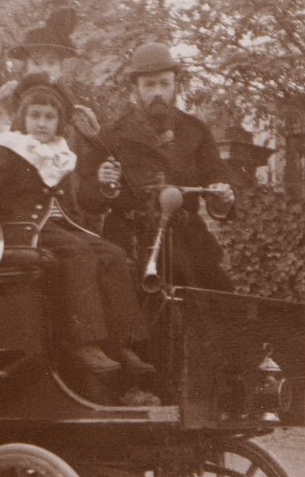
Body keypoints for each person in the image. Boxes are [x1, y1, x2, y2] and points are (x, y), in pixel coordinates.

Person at [0, 76, 152, 377]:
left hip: (61, 227)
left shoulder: (61, 155)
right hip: (23, 228)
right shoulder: (6, 149)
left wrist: (103, 189)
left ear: (59, 122)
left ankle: (123, 343)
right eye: (35, 116)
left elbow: (75, 206)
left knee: (111, 253)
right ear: (23, 118)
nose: (41, 123)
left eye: (49, 117)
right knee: (79, 252)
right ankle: (85, 343)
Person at [78, 42, 235, 291]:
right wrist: (101, 182)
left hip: (187, 241)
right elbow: (86, 198)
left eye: (164, 83)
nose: (158, 93)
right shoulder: (112, 134)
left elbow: (218, 180)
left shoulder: (196, 131)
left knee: (217, 305)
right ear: (136, 88)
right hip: (130, 242)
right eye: (149, 85)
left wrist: (222, 196)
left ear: (175, 85)